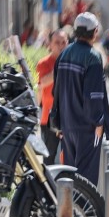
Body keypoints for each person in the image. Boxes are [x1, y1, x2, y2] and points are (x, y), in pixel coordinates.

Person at [52, 12, 109, 186]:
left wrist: (58, 122)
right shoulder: (92, 57)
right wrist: (99, 122)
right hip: (87, 128)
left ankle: (72, 212)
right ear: (94, 32)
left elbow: (56, 92)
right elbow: (94, 96)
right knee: (86, 181)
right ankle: (83, 213)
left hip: (67, 126)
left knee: (70, 177)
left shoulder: (64, 55)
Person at [36, 30, 68, 164]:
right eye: (57, 42)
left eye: (63, 42)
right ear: (50, 44)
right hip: (48, 119)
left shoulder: (72, 63)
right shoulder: (43, 63)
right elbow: (42, 83)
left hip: (69, 118)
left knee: (68, 159)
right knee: (49, 158)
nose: (60, 46)